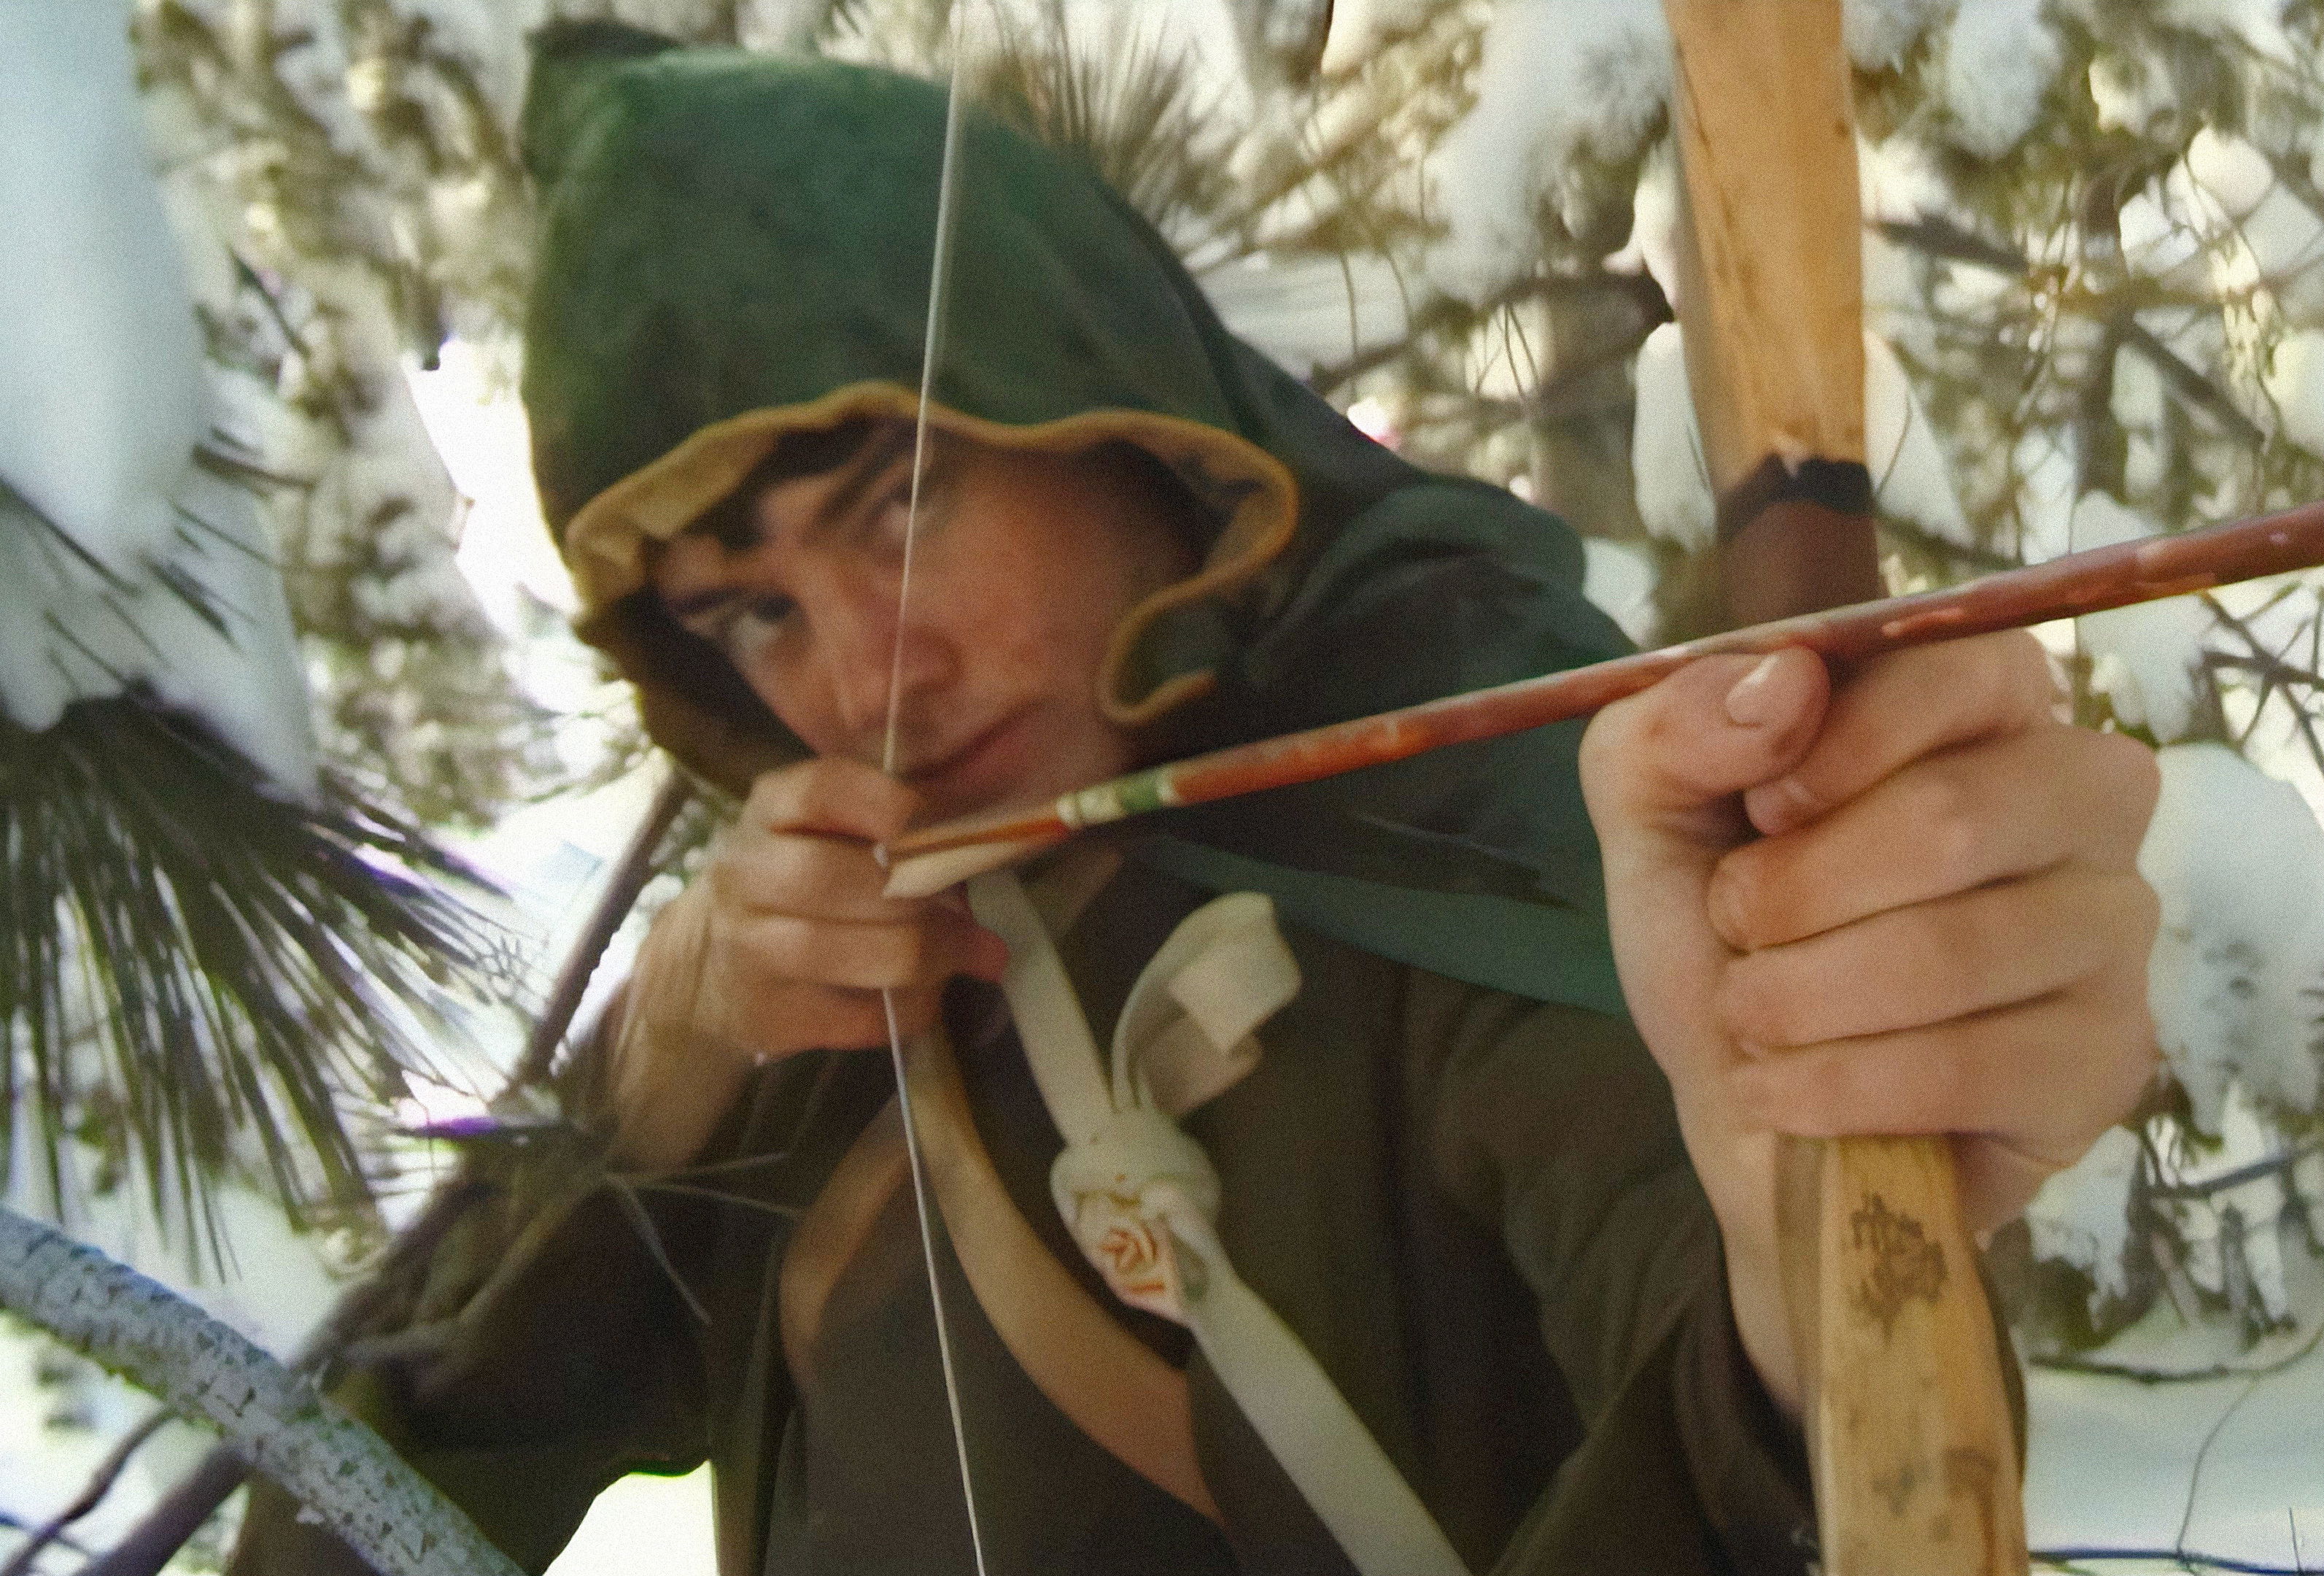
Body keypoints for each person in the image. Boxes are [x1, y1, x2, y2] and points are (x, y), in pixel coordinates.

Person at [231, 23, 2158, 1576]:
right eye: (753, 611)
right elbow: (339, 1527)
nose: (864, 678)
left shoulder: (1480, 810)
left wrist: (1796, 1282)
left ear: (1125, 418)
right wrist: (656, 1081)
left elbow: (1770, 1399)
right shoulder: (819, 1000)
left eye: (905, 506)